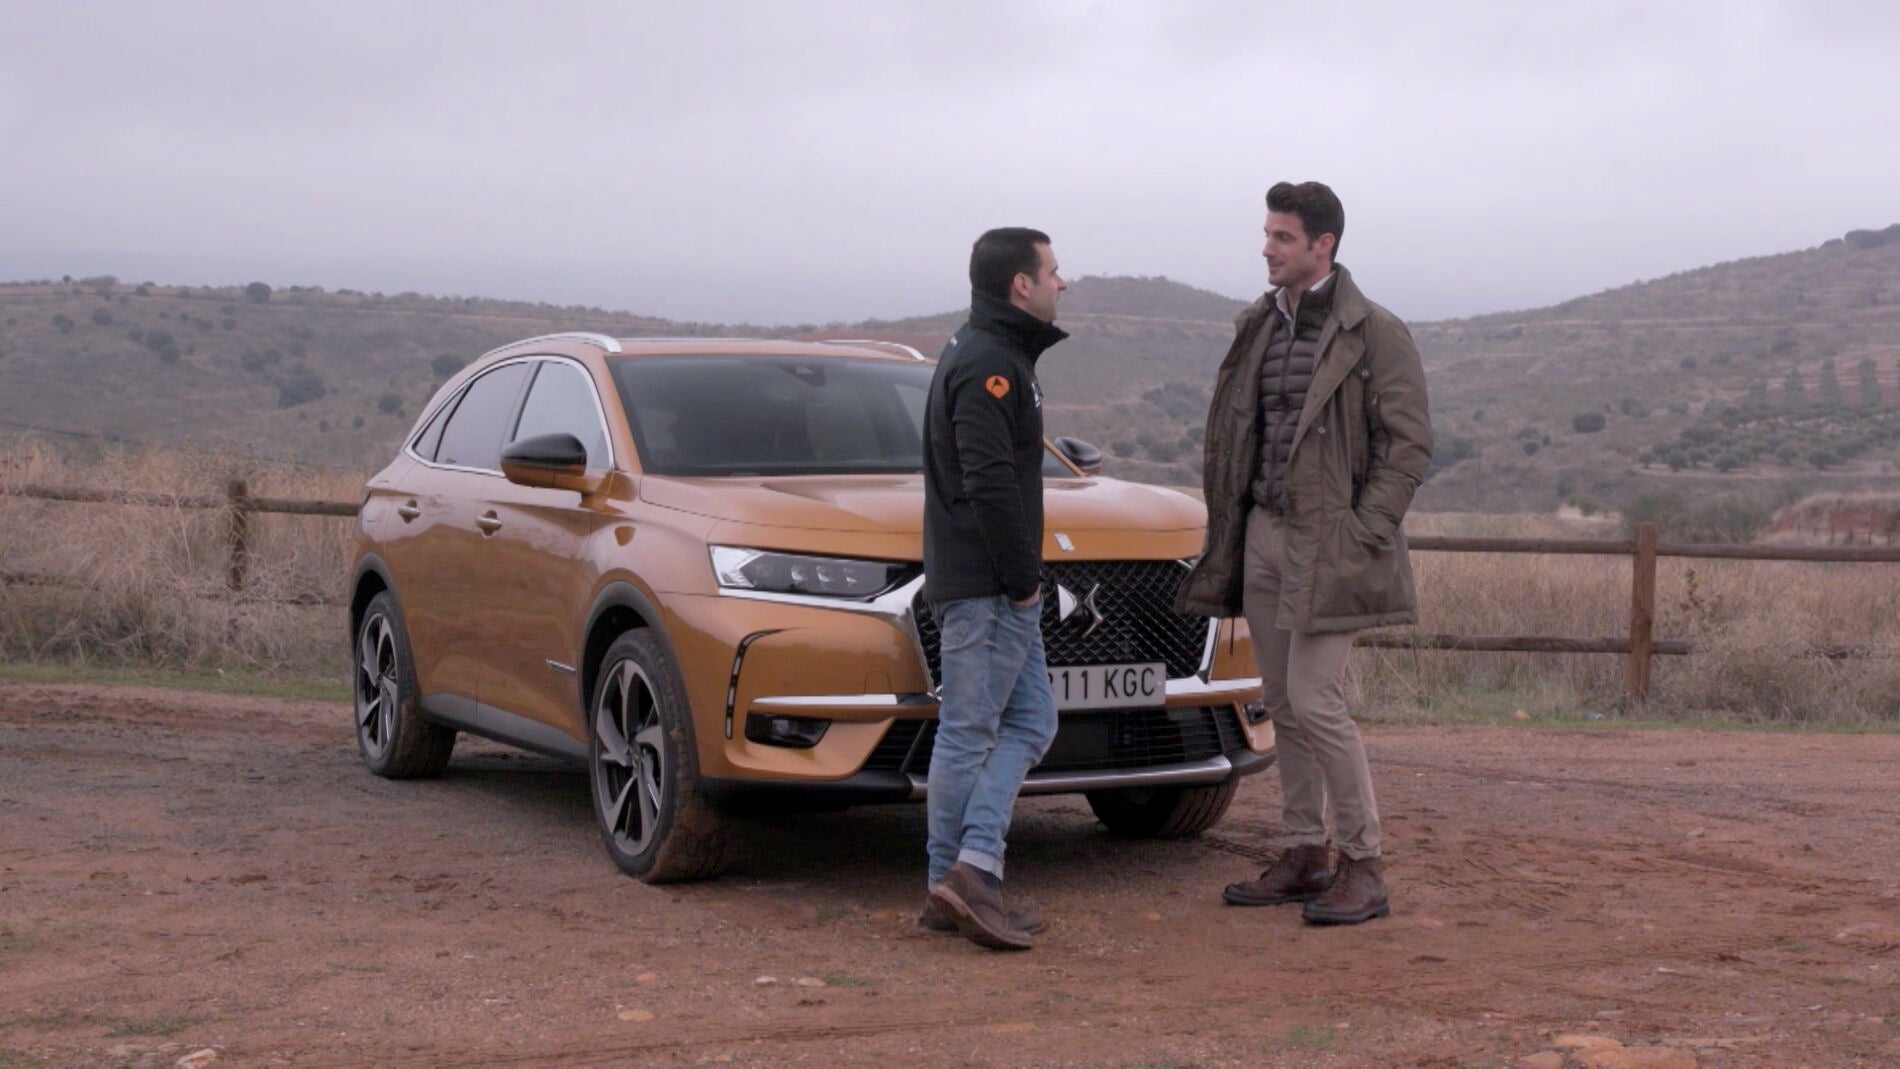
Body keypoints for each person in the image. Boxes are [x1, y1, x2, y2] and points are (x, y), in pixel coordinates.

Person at [1177, 182, 1432, 925]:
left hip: (1332, 540)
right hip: (1262, 531)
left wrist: (1362, 529)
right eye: (1267, 234)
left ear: (1322, 245)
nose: (1267, 247)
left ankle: (1362, 860)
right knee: (1283, 700)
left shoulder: (1375, 330)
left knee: (1318, 699)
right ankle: (1302, 851)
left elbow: (1409, 446)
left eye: (1282, 237)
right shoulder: (1258, 325)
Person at [918, 226, 1068, 950]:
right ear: (1021, 284)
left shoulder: (993, 352)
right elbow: (988, 482)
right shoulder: (988, 365)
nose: (1060, 283)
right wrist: (1021, 581)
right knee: (970, 731)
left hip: (993, 585)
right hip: (988, 588)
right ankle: (966, 872)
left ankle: (962, 875)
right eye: (1053, 270)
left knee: (1032, 720)